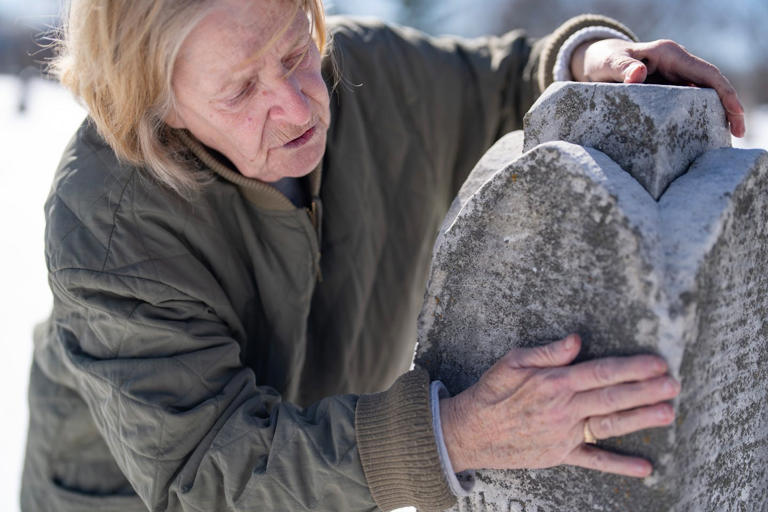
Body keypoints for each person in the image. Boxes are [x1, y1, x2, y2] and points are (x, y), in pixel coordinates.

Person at [21, 0, 745, 511]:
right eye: (243, 88)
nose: (302, 106)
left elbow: (500, 84)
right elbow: (206, 474)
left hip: (332, 484)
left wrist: (593, 60)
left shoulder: (364, 73)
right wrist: (455, 436)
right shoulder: (107, 219)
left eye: (295, 50)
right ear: (160, 104)